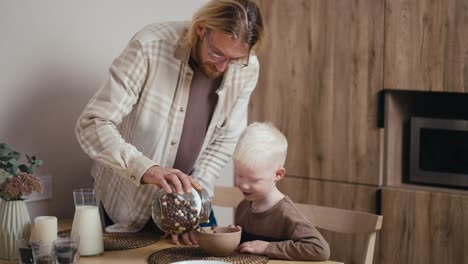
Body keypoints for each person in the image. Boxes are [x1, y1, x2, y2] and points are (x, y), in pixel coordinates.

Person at [75, 0, 264, 245]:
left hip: (188, 203)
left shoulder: (247, 67)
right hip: (127, 203)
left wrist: (193, 200)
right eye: (217, 53)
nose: (222, 66)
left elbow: (226, 138)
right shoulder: (149, 47)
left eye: (234, 59)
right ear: (200, 29)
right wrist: (145, 169)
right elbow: (92, 124)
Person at [232, 122, 330, 261]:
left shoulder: (286, 212)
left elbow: (320, 249)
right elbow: (248, 249)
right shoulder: (243, 207)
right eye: (239, 175)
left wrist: (267, 248)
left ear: (278, 174)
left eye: (253, 180)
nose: (243, 185)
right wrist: (233, 237)